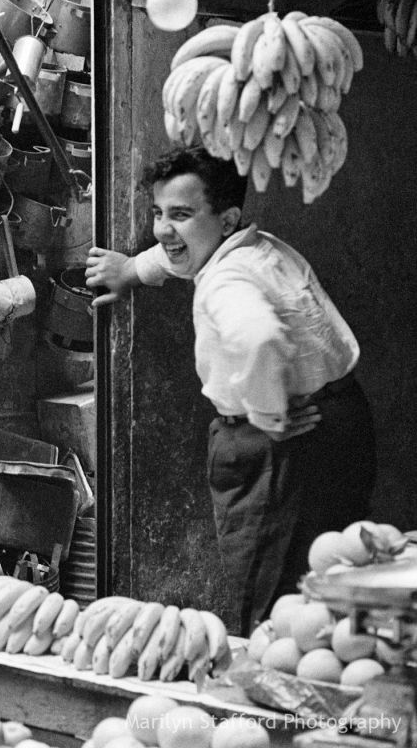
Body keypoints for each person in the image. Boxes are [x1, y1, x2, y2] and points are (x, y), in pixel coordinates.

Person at [84, 146, 375, 632]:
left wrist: (268, 416)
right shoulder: (257, 247)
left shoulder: (224, 283)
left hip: (281, 447)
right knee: (334, 580)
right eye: (158, 213)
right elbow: (183, 251)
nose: (161, 228)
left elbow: (257, 335)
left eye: (180, 214)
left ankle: (272, 697)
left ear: (227, 218)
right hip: (341, 419)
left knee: (275, 602)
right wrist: (135, 270)